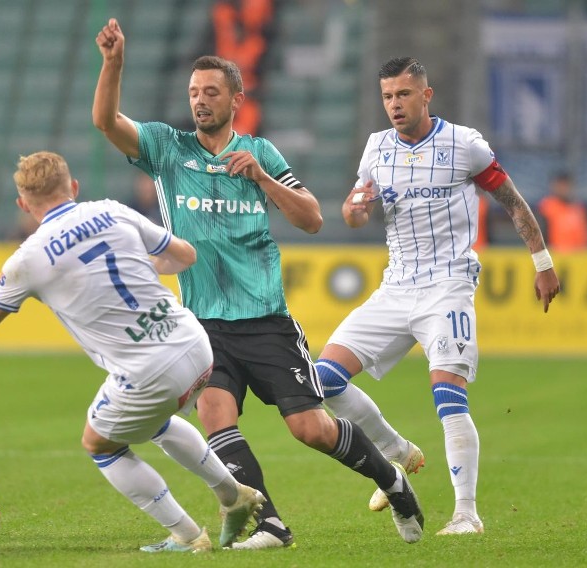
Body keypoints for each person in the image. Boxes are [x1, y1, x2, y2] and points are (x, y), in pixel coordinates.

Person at [92, 18, 425, 548]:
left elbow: (313, 218)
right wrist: (113, 63)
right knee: (216, 419)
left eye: (211, 92)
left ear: (236, 99)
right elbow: (107, 122)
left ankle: (394, 480)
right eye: (194, 92)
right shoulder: (167, 149)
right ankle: (271, 523)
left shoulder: (260, 154)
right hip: (202, 324)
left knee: (309, 429)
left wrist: (262, 179)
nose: (200, 101)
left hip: (265, 318)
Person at [0, 151, 267, 553]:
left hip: (149, 368)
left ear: (23, 205)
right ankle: (232, 495)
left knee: (99, 443)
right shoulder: (112, 210)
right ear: (74, 188)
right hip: (193, 341)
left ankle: (188, 536)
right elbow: (186, 255)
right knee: (151, 422)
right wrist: (141, 263)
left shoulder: (27, 260)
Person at [315, 57, 561, 536]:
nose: (394, 105)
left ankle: (466, 514)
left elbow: (511, 201)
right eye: (387, 97)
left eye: (404, 95)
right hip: (396, 285)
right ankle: (398, 452)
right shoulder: (376, 149)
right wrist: (353, 209)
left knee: (448, 395)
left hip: (448, 284)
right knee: (323, 378)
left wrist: (543, 261)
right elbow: (354, 215)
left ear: (426, 95)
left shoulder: (464, 144)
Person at [537, 171, 587, 251]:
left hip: (578, 257)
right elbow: (541, 235)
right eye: (561, 185)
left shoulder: (577, 208)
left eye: (566, 185)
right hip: (556, 257)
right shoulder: (548, 206)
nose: (563, 188)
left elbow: (584, 236)